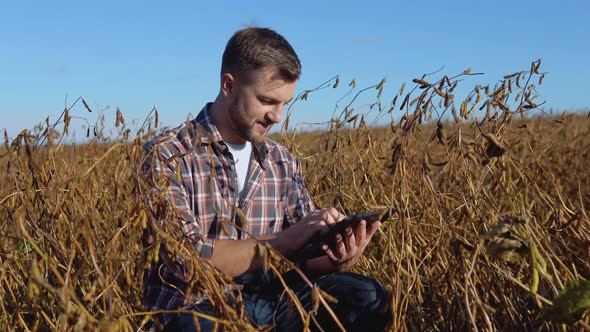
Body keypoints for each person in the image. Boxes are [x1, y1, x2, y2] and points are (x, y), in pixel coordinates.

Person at [142, 27, 390, 331]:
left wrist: (338, 258)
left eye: (284, 103)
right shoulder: (167, 154)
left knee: (367, 297)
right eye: (267, 101)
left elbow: (303, 260)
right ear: (229, 86)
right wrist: (281, 243)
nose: (277, 116)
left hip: (272, 301)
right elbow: (186, 259)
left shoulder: (281, 160)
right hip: (197, 305)